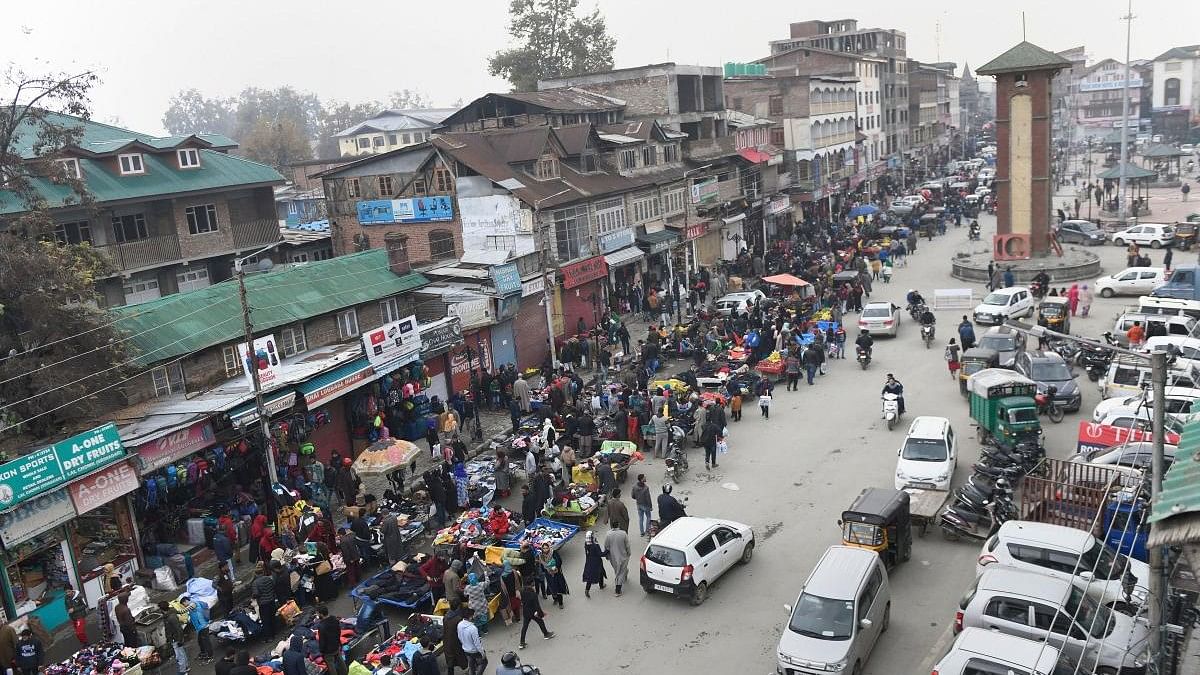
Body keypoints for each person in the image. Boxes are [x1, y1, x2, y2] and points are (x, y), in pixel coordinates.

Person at [518, 581, 555, 649]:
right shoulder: (533, 594)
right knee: (540, 622)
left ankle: (522, 642)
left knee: (525, 627)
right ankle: (546, 634)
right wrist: (541, 614)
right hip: (533, 612)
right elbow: (537, 606)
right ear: (531, 586)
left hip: (525, 612)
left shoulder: (522, 592)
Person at [160, 601, 190, 675]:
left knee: (179, 656)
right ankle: (186, 667)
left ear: (162, 609)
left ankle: (183, 671)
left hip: (175, 639)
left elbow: (178, 629)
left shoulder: (170, 617)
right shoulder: (170, 614)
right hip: (175, 638)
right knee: (182, 653)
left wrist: (179, 640)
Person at [442, 600, 470, 675]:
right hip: (456, 642)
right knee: (462, 657)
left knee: (450, 661)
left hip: (447, 641)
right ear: (457, 608)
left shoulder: (446, 616)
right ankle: (470, 670)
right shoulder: (458, 619)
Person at [603, 525, 631, 596]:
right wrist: (629, 553)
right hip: (623, 556)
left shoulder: (608, 534)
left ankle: (624, 575)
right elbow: (627, 545)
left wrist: (606, 556)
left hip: (613, 558)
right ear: (618, 525)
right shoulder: (623, 533)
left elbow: (606, 546)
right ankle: (618, 590)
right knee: (620, 572)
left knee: (617, 571)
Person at [458, 609, 487, 675]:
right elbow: (477, 643)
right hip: (474, 651)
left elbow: (459, 637)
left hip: (466, 650)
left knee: (471, 665)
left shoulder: (459, 625)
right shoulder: (473, 628)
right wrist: (482, 653)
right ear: (470, 617)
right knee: (483, 663)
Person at [581, 531, 607, 596]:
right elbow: (600, 554)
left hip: (589, 562)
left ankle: (587, 589)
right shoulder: (595, 545)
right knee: (600, 572)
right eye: (593, 535)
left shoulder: (586, 544)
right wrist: (607, 551)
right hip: (597, 562)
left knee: (590, 576)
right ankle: (601, 585)